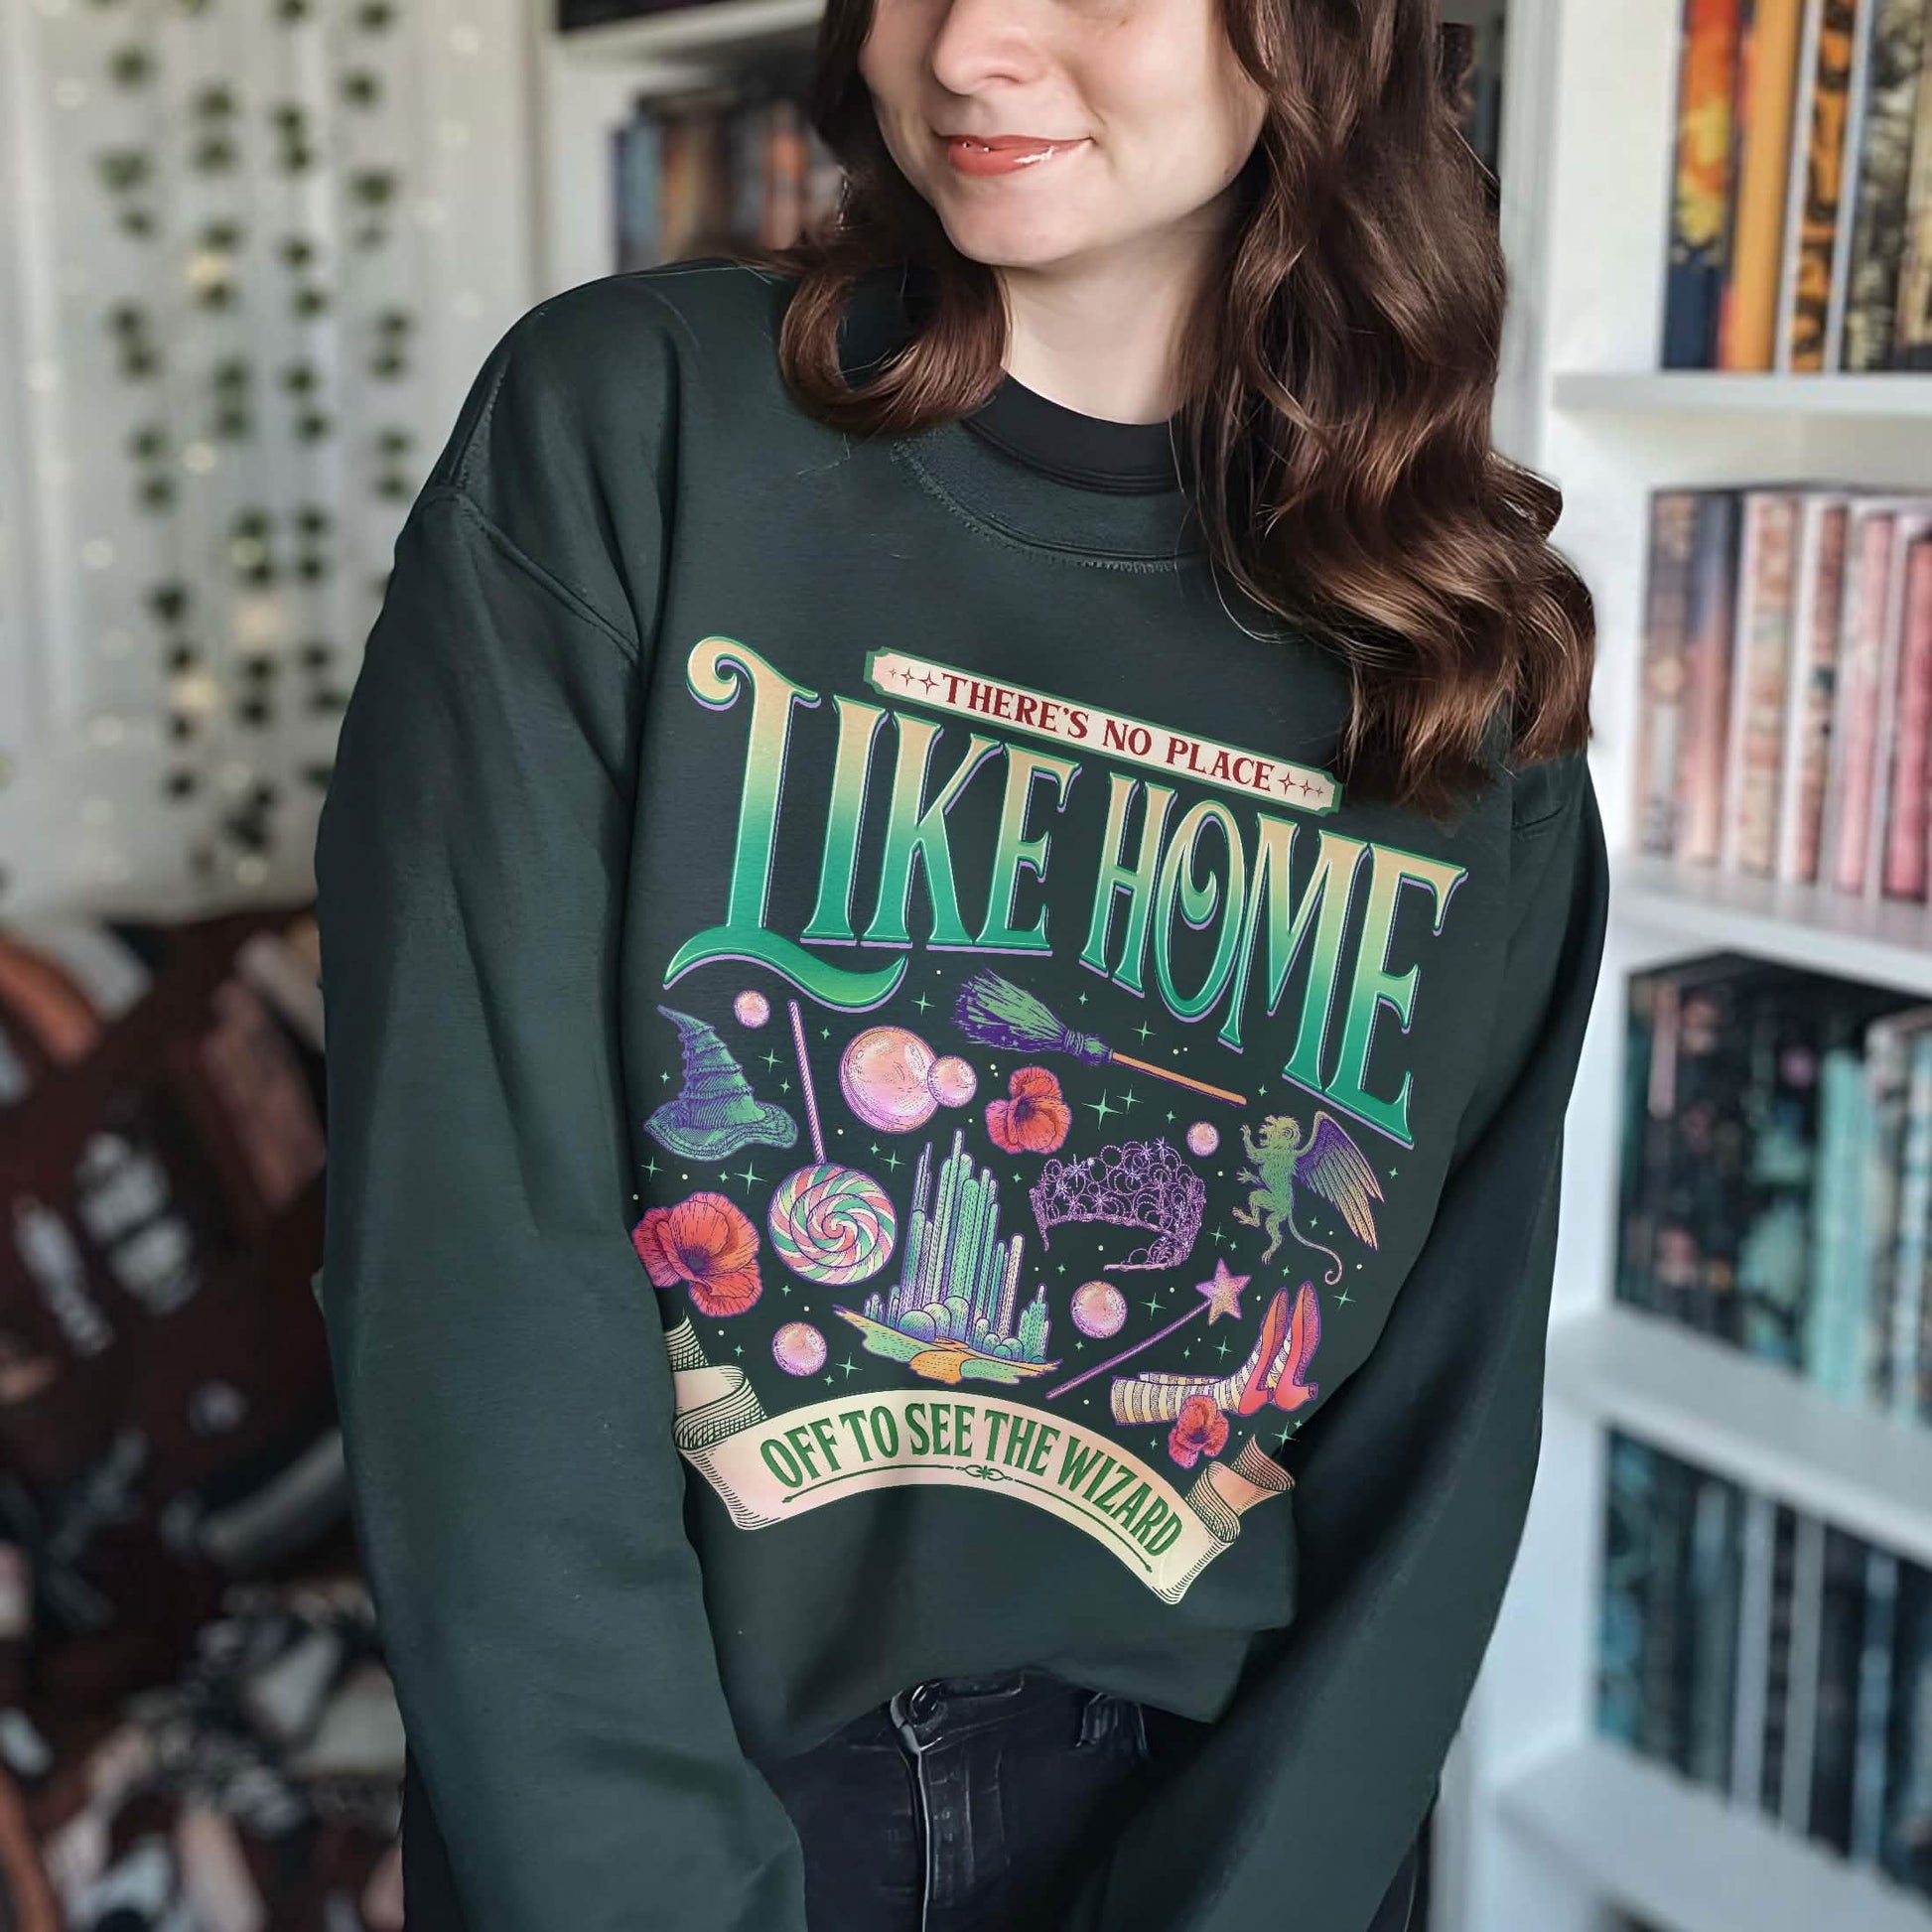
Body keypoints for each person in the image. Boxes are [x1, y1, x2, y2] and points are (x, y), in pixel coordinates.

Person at [310, 0, 1610, 1925]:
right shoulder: (633, 430)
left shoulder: (1460, 664)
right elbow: (468, 1258)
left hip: (1204, 1815)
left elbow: (1443, 1433)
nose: (971, 43)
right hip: (666, 1784)